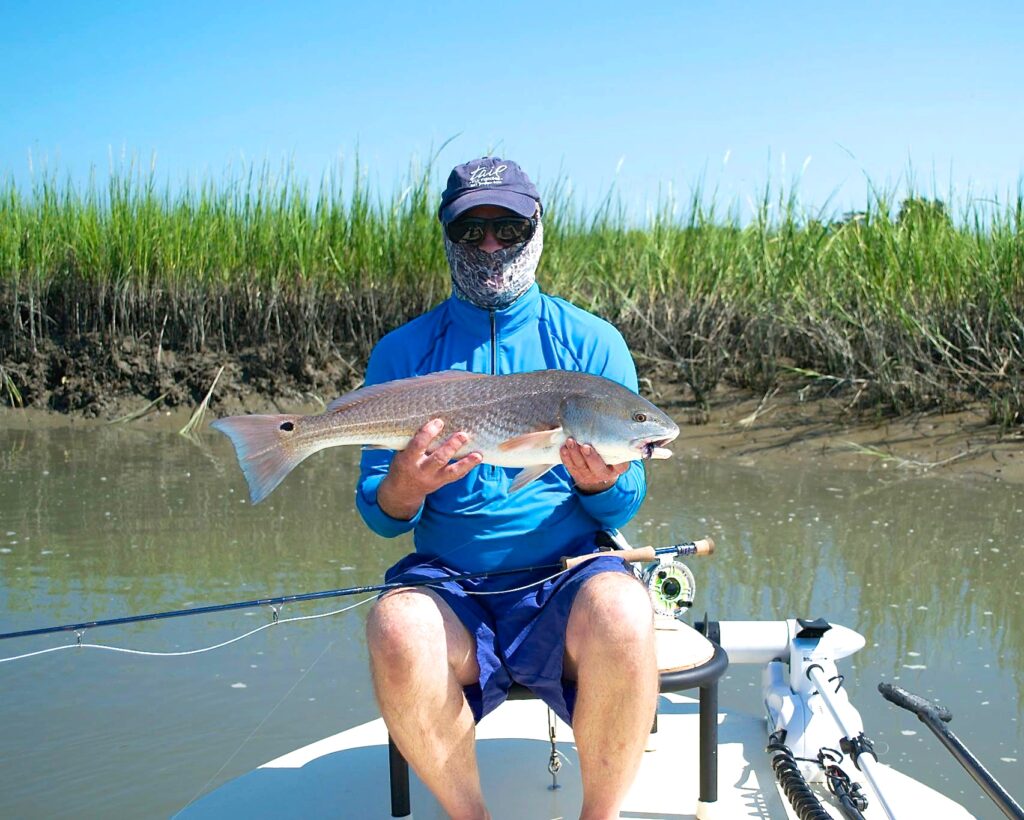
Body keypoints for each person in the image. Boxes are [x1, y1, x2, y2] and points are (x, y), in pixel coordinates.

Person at [358, 157, 658, 820]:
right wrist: (406, 483)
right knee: (396, 624)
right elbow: (382, 516)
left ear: (538, 230)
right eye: (473, 230)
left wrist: (601, 486)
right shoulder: (402, 354)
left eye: (509, 228)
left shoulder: (592, 344)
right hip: (451, 586)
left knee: (624, 610)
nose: (491, 245)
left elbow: (627, 498)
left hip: (567, 579)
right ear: (447, 237)